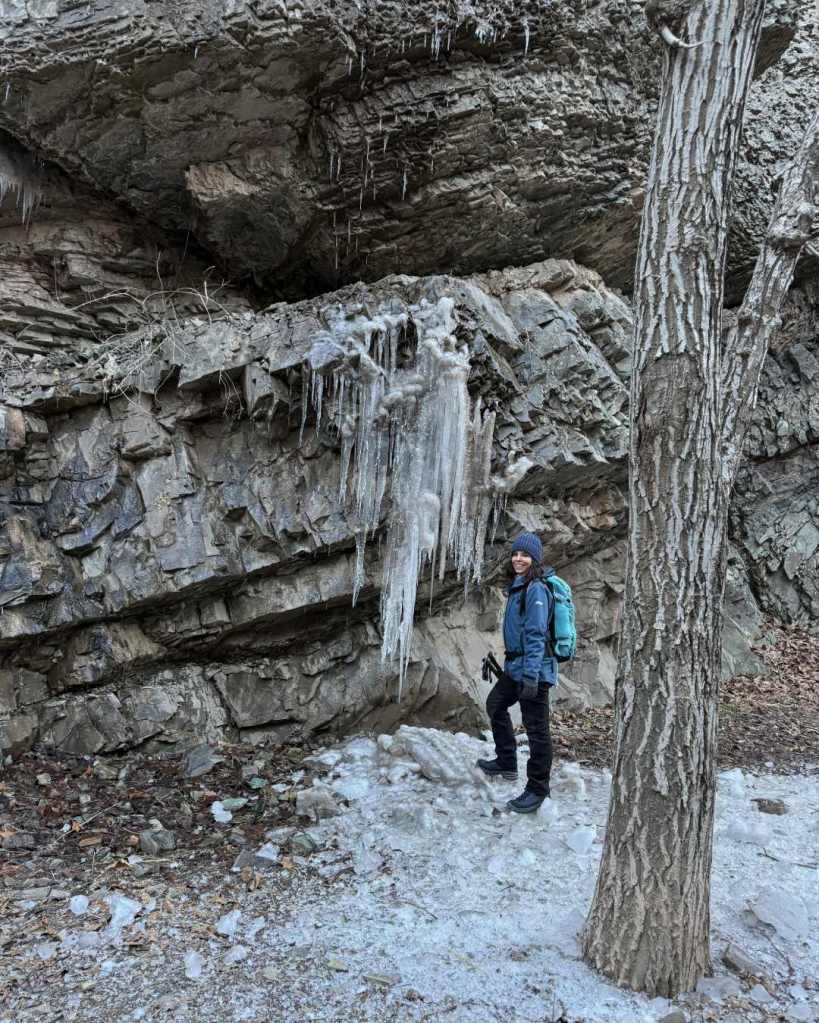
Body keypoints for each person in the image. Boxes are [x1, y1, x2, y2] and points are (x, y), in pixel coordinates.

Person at [477, 532, 556, 813]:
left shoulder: (536, 589)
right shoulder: (519, 586)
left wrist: (532, 676)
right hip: (516, 668)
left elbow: (536, 634)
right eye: (515, 554)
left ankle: (537, 789)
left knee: (537, 730)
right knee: (495, 705)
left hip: (533, 670)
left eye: (524, 555)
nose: (518, 559)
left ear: (534, 559)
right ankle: (507, 761)